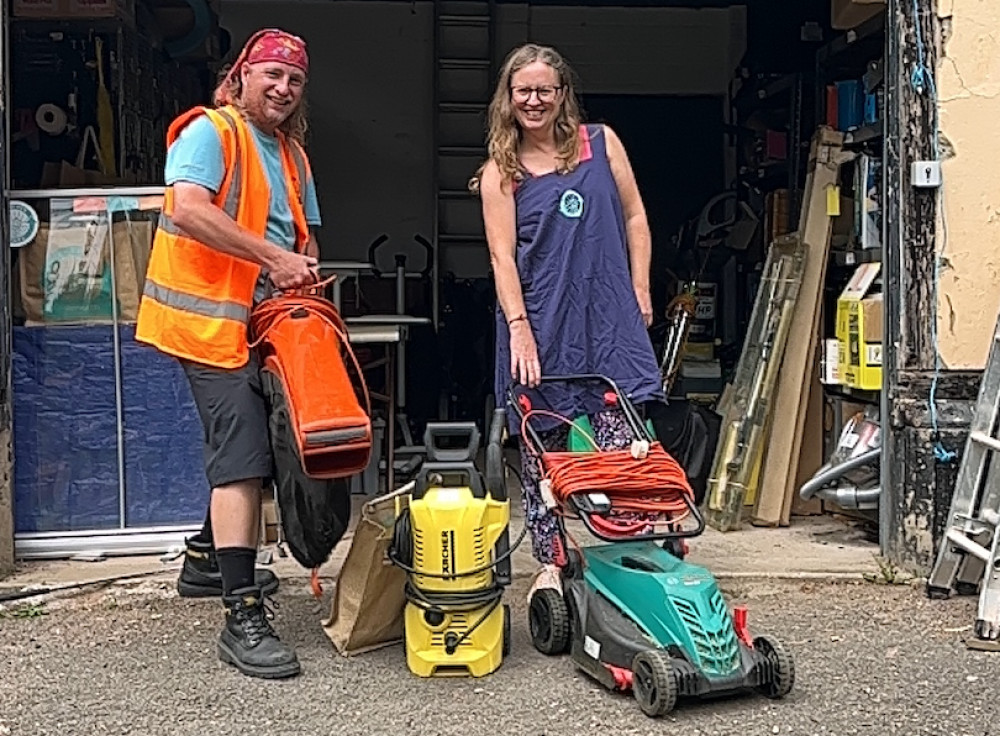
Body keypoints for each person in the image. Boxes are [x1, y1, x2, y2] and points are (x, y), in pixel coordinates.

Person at [135, 28, 322, 680]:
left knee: (271, 441)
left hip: (266, 326)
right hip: (208, 325)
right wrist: (273, 258)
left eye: (294, 80)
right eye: (272, 74)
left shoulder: (292, 155)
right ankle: (241, 612)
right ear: (240, 76)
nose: (283, 87)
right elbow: (186, 209)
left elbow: (303, 240)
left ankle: (207, 558)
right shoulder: (211, 133)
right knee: (242, 447)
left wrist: (304, 286)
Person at [471, 44, 664, 600]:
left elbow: (635, 217)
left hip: (606, 316)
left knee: (623, 445)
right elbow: (502, 258)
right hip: (540, 322)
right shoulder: (499, 174)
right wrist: (519, 328)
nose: (533, 101)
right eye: (522, 91)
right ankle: (551, 561)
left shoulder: (601, 144)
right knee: (544, 450)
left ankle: (633, 551)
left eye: (544, 90)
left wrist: (640, 288)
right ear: (508, 99)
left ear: (562, 96)